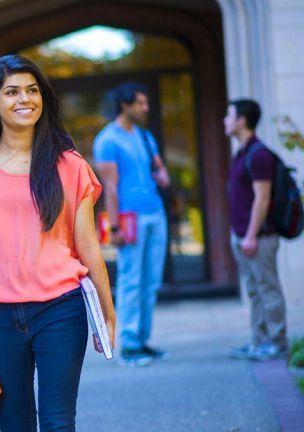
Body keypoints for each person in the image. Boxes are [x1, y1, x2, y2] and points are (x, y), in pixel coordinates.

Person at [0, 54, 116, 432]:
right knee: (15, 423)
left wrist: (107, 311)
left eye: (32, 90)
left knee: (57, 422)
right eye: (12, 92)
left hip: (60, 311)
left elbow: (87, 245)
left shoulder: (69, 165)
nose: (25, 100)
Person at [93, 82, 171, 367]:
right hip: (129, 219)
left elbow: (159, 168)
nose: (145, 108)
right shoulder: (107, 140)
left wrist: (162, 175)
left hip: (155, 214)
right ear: (125, 105)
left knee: (150, 282)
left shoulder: (145, 136)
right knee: (131, 281)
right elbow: (109, 188)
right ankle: (129, 345)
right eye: (140, 103)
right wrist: (113, 228)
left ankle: (142, 340)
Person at [225, 99, 288, 361]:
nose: (224, 120)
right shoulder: (242, 152)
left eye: (228, 115)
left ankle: (277, 342)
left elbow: (262, 199)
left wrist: (251, 235)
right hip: (243, 235)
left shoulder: (259, 154)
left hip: (259, 237)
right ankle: (260, 340)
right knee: (254, 290)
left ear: (242, 120)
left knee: (268, 288)